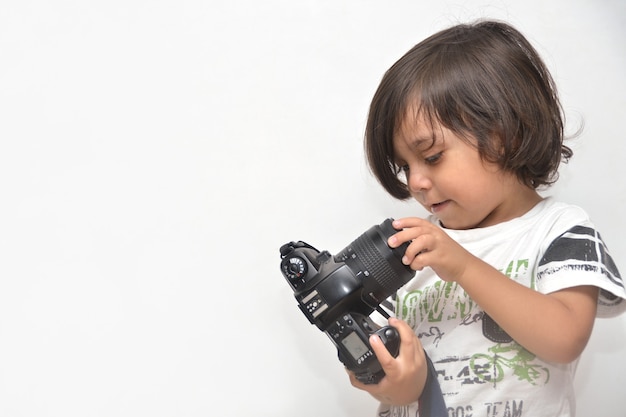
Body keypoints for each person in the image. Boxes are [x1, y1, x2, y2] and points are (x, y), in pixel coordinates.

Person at [348, 20, 626, 417]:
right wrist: (395, 384)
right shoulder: (411, 250)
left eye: (431, 156)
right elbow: (401, 387)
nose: (417, 182)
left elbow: (565, 337)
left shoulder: (558, 230)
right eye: (404, 167)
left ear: (505, 134)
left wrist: (462, 265)